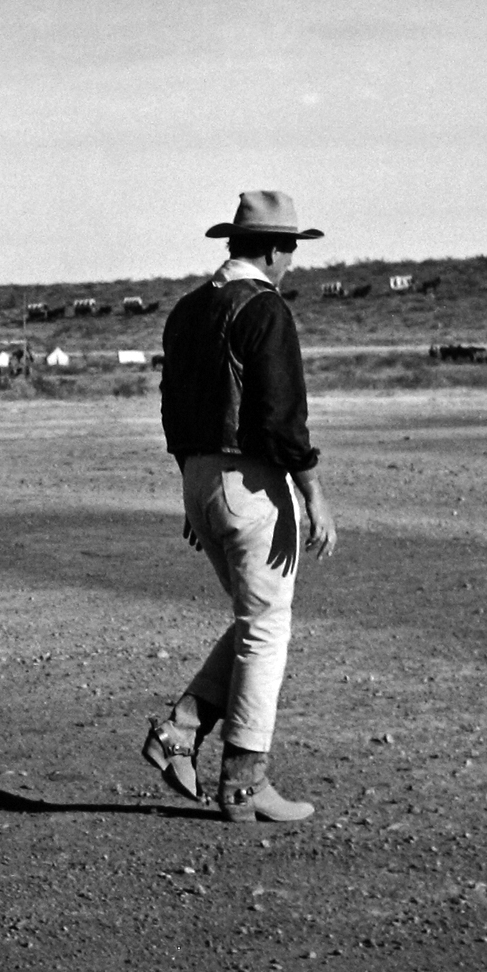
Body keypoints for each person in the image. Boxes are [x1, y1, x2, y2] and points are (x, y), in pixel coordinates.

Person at [145, 191, 338, 823]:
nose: (291, 263)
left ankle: (182, 728)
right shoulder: (265, 309)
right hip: (248, 483)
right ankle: (243, 782)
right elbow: (282, 419)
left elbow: (174, 411)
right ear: (278, 250)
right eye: (291, 252)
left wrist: (193, 486)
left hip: (198, 478)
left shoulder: (186, 310)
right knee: (266, 629)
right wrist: (313, 494)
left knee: (254, 620)